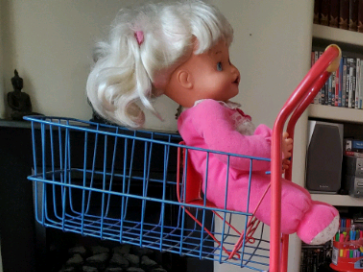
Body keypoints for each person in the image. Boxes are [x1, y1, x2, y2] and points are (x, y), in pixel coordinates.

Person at [86, 0, 339, 246]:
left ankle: (309, 216)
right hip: (229, 181)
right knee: (281, 199)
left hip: (233, 177)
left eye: (228, 61)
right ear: (186, 79)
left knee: (279, 191)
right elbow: (233, 151)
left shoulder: (205, 110)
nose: (234, 71)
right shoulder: (206, 110)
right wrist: (272, 150)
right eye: (220, 64)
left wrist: (268, 147)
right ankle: (307, 221)